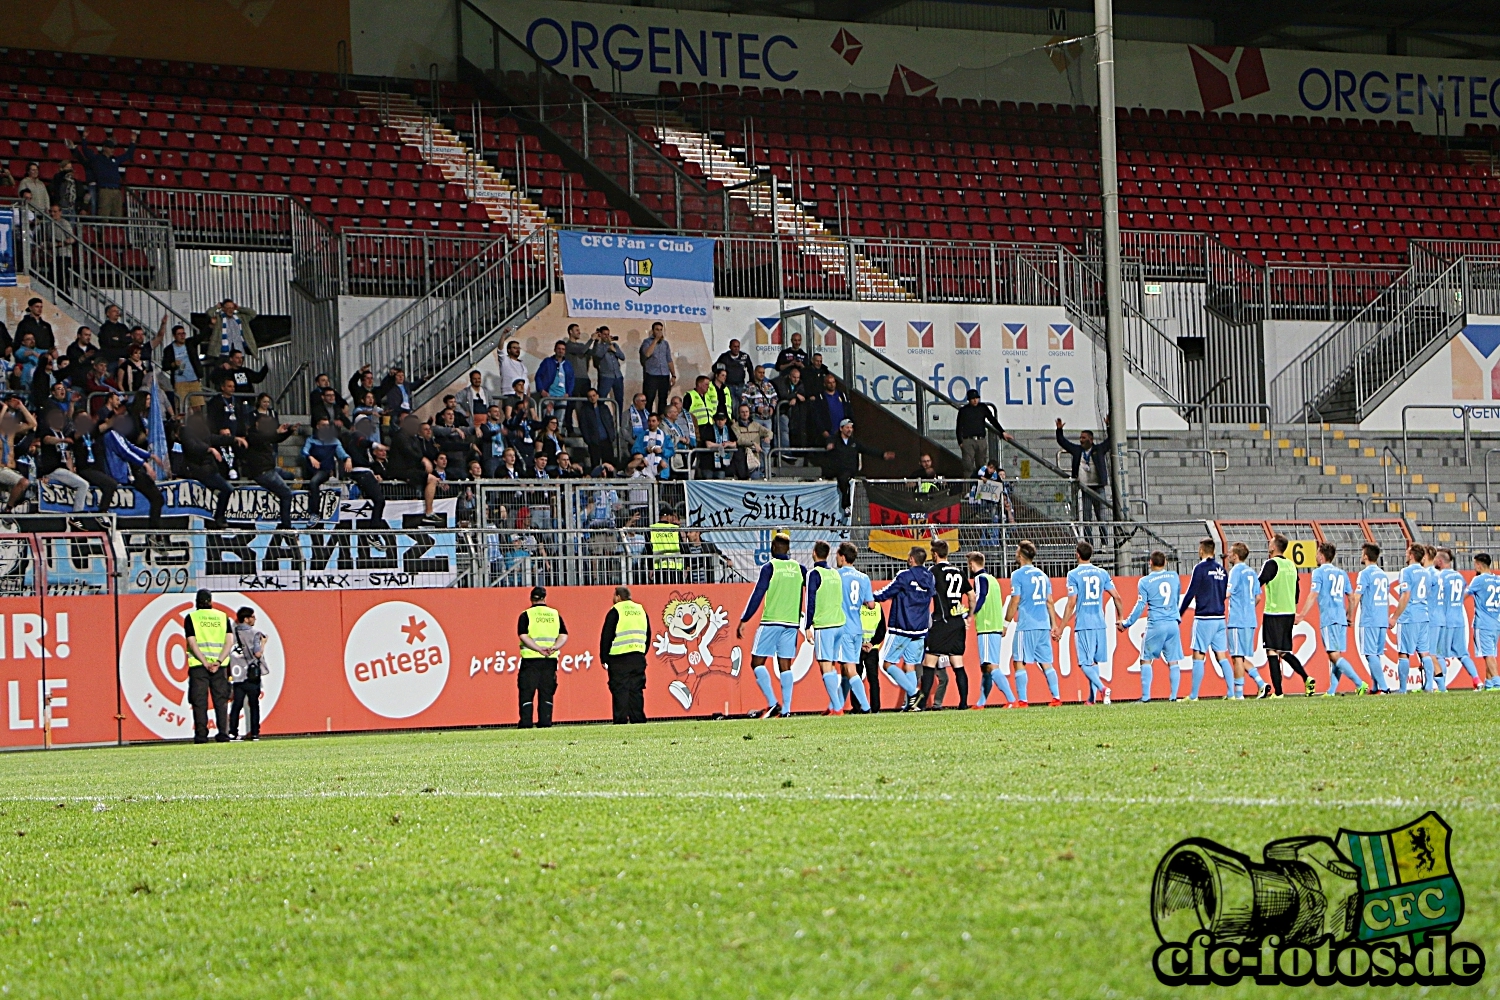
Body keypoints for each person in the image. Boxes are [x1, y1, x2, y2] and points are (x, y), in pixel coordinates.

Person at [736, 531, 807, 718]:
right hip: (792, 623)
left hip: (771, 621)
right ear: (789, 549)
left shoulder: (770, 567)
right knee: (786, 665)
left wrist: (745, 618)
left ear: (773, 548)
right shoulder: (800, 569)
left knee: (757, 662)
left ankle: (772, 703)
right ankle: (787, 710)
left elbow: (758, 594)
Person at [1298, 542, 1366, 696]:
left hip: (1329, 618)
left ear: (1321, 556)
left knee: (1333, 655)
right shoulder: (1341, 573)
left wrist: (1302, 614)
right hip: (1341, 617)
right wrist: (1349, 615)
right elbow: (1351, 597)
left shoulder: (1319, 572)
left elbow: (1313, 594)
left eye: (1317, 553)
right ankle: (1332, 691)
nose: (1315, 556)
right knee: (1336, 656)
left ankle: (1360, 683)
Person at [872, 546, 935, 712]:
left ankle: (914, 692)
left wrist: (870, 597)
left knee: (887, 663)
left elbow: (886, 593)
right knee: (910, 666)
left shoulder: (904, 576)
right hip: (920, 629)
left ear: (912, 559)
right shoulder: (930, 577)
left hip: (902, 627)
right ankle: (912, 706)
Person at [1061, 541, 1122, 705]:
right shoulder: (1102, 573)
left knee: (1084, 663)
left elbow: (1072, 602)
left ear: (1077, 554)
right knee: (1093, 662)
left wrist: (1061, 627)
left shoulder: (1073, 575)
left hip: (1084, 624)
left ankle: (1102, 688)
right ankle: (1092, 698)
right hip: (1100, 623)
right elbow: (1117, 596)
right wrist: (1120, 617)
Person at [1004, 539, 1062, 707]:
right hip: (1043, 624)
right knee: (1046, 663)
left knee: (1019, 661)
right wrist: (1054, 625)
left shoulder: (1018, 575)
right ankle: (1056, 697)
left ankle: (1022, 701)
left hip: (1026, 625)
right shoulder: (1043, 575)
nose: (1015, 553)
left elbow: (1015, 600)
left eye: (1016, 551)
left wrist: (1006, 624)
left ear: (1021, 555)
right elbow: (1049, 601)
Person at [1119, 550, 1182, 703]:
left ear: (1150, 563)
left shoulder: (1145, 581)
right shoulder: (1174, 576)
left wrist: (1127, 623)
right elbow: (1176, 596)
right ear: (1165, 562)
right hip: (1173, 623)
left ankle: (1146, 697)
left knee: (1146, 659)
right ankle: (1173, 697)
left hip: (1156, 624)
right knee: (1173, 661)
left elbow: (1140, 605)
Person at [920, 538, 971, 709]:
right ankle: (963, 704)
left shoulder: (932, 571)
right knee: (958, 664)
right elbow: (972, 596)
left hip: (941, 622)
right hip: (957, 623)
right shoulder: (958, 572)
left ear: (934, 554)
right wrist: (968, 616)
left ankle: (921, 704)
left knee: (929, 663)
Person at [1178, 538, 1231, 701]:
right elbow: (1223, 595)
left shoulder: (1200, 568)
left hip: (1204, 617)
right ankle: (1232, 693)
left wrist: (1179, 613)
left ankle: (1193, 695)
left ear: (1201, 550)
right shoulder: (1222, 570)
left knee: (1198, 655)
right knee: (1221, 656)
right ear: (1214, 551)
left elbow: (1191, 592)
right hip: (1220, 618)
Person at [805, 540, 852, 715]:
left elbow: (810, 601)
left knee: (825, 666)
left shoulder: (814, 574)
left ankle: (837, 708)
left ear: (814, 553)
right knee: (830, 665)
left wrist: (807, 625)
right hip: (840, 623)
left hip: (825, 625)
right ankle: (833, 705)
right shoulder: (835, 574)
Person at [1258, 534, 1309, 697]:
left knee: (1271, 651)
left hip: (1274, 612)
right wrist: (1293, 609)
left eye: (1270, 542)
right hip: (1288, 612)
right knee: (1284, 651)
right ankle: (1306, 678)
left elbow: (1259, 582)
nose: (1268, 544)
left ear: (1274, 547)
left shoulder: (1271, 564)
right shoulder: (1291, 565)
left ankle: (1278, 692)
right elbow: (1297, 591)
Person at [183, 589, 232, 744]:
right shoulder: (222, 617)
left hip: (199, 666)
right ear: (211, 601)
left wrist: (205, 662)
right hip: (220, 666)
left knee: (199, 701)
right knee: (221, 700)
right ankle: (223, 733)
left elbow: (192, 642)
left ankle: (201, 735)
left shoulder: (192, 618)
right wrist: (218, 662)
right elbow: (229, 642)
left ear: (196, 602)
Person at [516, 585, 568, 729]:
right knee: (547, 692)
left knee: (527, 692)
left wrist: (538, 649)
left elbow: (523, 635)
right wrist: (555, 647)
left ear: (531, 599)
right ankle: (545, 722)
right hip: (549, 660)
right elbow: (564, 635)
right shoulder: (554, 614)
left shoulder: (526, 615)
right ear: (545, 598)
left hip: (531, 660)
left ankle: (526, 723)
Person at [102, 407, 163, 526]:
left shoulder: (120, 435)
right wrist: (145, 464)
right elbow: (125, 452)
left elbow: (131, 447)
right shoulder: (111, 435)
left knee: (158, 499)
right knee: (157, 498)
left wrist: (150, 455)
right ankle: (154, 533)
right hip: (121, 475)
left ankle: (154, 533)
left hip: (130, 473)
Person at [1055, 418, 1110, 545]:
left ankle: (1104, 544)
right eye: (1080, 438)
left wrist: (1108, 426)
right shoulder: (1077, 450)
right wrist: (1059, 430)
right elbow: (1063, 442)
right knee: (1086, 519)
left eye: (1084, 438)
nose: (1081, 440)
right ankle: (1089, 544)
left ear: (1091, 440)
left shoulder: (1099, 449)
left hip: (1098, 487)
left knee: (1101, 517)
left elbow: (1110, 441)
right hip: (1085, 488)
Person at [600, 585, 649, 723]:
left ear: (618, 597)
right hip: (638, 656)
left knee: (620, 690)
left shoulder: (616, 610)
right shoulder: (640, 610)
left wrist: (604, 657)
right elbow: (648, 633)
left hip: (619, 657)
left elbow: (607, 636)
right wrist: (641, 651)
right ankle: (638, 719)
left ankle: (621, 720)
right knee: (636, 690)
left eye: (614, 596)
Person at [1226, 542, 1268, 698]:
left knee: (1236, 657)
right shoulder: (1251, 572)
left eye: (1230, 553)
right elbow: (1258, 597)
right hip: (1250, 620)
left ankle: (1238, 695)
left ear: (1236, 556)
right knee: (1240, 656)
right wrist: (1249, 607)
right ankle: (1261, 684)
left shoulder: (1235, 571)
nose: (1228, 555)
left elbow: (1228, 593)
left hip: (1237, 619)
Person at [822, 419, 895, 508]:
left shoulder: (854, 442)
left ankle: (846, 505)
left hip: (851, 470)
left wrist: (882, 454)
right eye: (847, 427)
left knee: (846, 479)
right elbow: (828, 442)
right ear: (841, 429)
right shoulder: (835, 440)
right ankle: (846, 505)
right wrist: (829, 445)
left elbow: (868, 449)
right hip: (839, 470)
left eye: (851, 427)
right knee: (843, 479)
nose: (849, 429)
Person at [1389, 543, 1430, 695]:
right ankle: (1429, 686)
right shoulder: (1427, 573)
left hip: (1409, 617)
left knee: (1403, 653)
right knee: (1425, 652)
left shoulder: (1406, 572)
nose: (1406, 555)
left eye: (1407, 553)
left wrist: (1394, 617)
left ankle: (1402, 689)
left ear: (1412, 555)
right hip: (1423, 616)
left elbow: (1405, 595)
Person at [242, 415, 296, 530]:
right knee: (287, 493)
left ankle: (279, 497)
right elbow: (267, 437)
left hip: (271, 468)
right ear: (257, 424)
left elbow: (276, 438)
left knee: (290, 476)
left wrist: (288, 432)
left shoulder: (265, 436)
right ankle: (286, 526)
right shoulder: (252, 435)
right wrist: (276, 431)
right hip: (262, 471)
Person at [66, 133, 139, 216]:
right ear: (104, 148)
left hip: (116, 189)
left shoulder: (115, 159)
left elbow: (128, 155)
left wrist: (133, 142)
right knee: (104, 214)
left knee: (118, 214)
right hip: (105, 189)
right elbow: (85, 152)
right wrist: (84, 139)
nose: (112, 150)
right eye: (110, 148)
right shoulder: (97, 159)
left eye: (113, 148)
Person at [1436, 547, 1478, 690]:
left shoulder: (1440, 577)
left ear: (1440, 561)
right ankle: (1477, 681)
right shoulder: (1459, 576)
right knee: (1463, 654)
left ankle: (1442, 687)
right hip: (1459, 619)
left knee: (1439, 654)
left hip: (1445, 619)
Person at [227, 607, 267, 741]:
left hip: (237, 674)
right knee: (254, 705)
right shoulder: (255, 633)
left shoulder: (232, 633)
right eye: (252, 617)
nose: (254, 619)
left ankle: (233, 732)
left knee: (236, 705)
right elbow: (257, 654)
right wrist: (263, 644)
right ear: (246, 619)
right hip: (252, 675)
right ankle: (255, 732)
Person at [1465, 553, 1500, 690]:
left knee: (1488, 655)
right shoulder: (1497, 579)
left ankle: (1497, 682)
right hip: (1496, 622)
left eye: (1475, 564)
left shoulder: (1479, 580)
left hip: (1483, 623)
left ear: (1479, 564)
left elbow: (1464, 595)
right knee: (1490, 653)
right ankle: (1489, 684)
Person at [955, 389, 1003, 475]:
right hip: (968, 439)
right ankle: (967, 488)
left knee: (981, 466)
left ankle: (980, 487)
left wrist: (1002, 431)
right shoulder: (963, 410)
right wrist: (960, 441)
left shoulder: (982, 407)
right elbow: (959, 426)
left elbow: (992, 420)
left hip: (981, 439)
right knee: (968, 466)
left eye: (977, 398)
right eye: (973, 398)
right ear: (969, 399)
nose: (975, 400)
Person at [535, 340, 575, 430]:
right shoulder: (547, 361)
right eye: (559, 349)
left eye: (563, 349)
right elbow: (538, 376)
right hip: (549, 396)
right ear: (555, 350)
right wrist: (541, 390)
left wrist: (569, 393)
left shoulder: (568, 364)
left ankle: (557, 441)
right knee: (548, 420)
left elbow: (571, 379)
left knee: (559, 422)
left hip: (562, 397)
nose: (561, 351)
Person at [639, 321, 675, 415]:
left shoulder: (665, 344)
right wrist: (655, 340)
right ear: (653, 331)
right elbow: (647, 354)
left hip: (664, 374)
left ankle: (661, 420)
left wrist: (673, 375)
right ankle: (648, 419)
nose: (659, 332)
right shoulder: (647, 342)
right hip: (652, 374)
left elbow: (669, 360)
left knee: (663, 399)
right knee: (649, 398)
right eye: (657, 329)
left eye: (661, 330)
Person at [808, 373, 850, 450]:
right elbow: (817, 416)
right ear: (824, 384)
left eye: (833, 382)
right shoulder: (820, 397)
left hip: (842, 432)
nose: (832, 385)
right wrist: (823, 431)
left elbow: (849, 411)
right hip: (828, 433)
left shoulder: (842, 395)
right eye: (829, 383)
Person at [643, 508, 684, 584]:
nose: (672, 519)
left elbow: (649, 550)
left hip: (658, 567)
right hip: (675, 566)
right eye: (672, 516)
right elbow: (682, 547)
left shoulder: (651, 529)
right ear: (668, 516)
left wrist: (650, 568)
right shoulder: (674, 528)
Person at [730, 403, 770, 480]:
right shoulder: (734, 426)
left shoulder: (756, 425)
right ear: (739, 413)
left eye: (746, 411)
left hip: (754, 459)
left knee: (755, 483)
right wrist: (753, 443)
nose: (745, 414)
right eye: (742, 412)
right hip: (741, 459)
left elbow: (769, 432)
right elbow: (739, 440)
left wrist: (767, 436)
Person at [590, 326, 626, 412]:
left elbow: (622, 357)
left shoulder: (614, 345)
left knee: (619, 400)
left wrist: (614, 350)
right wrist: (606, 346)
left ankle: (619, 422)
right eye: (605, 334)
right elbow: (598, 355)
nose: (607, 336)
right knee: (601, 399)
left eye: (608, 334)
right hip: (606, 376)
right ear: (600, 335)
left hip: (618, 376)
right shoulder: (598, 346)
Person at [715, 338, 752, 404]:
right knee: (732, 404)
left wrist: (751, 382)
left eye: (738, 346)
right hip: (729, 385)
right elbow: (714, 368)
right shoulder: (724, 357)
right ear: (730, 347)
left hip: (741, 385)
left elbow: (750, 370)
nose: (736, 348)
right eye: (734, 346)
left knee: (743, 404)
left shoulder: (744, 356)